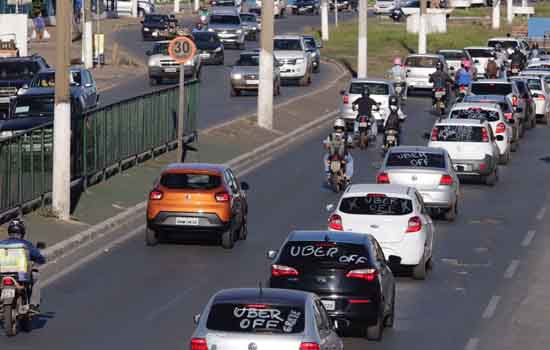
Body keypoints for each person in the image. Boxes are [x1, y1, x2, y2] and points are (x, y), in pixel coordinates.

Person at [0, 219, 45, 313]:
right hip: (21, 275)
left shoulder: (1, 243)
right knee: (36, 276)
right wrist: (40, 260)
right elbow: (38, 257)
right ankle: (33, 305)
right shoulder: (27, 244)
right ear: (22, 232)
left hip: (2, 274)